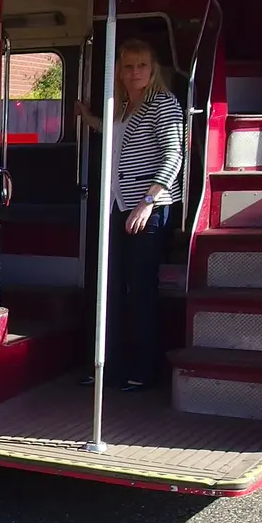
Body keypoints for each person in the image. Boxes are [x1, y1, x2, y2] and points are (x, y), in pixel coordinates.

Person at [76, 39, 185, 390]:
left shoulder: (164, 105)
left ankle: (142, 371)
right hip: (118, 205)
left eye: (141, 66)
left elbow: (173, 157)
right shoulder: (123, 106)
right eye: (128, 66)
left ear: (153, 70)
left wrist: (148, 201)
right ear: (119, 72)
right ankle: (110, 365)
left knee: (139, 291)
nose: (135, 72)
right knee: (108, 288)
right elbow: (114, 136)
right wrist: (86, 117)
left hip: (147, 210)